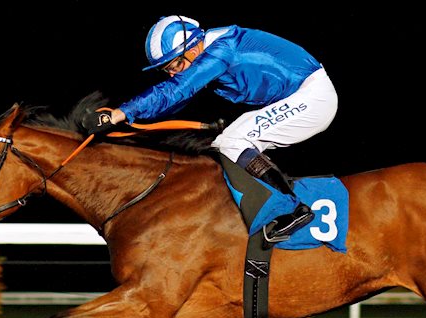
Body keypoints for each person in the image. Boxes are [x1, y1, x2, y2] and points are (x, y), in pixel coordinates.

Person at [82, 15, 338, 244]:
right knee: (226, 143)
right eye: (166, 70)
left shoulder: (221, 50)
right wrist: (126, 117)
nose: (171, 74)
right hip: (300, 95)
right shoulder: (211, 48)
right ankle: (269, 205)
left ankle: (291, 209)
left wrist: (120, 113)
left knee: (233, 142)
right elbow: (177, 96)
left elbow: (178, 90)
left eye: (174, 66)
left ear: (192, 48)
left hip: (313, 97)